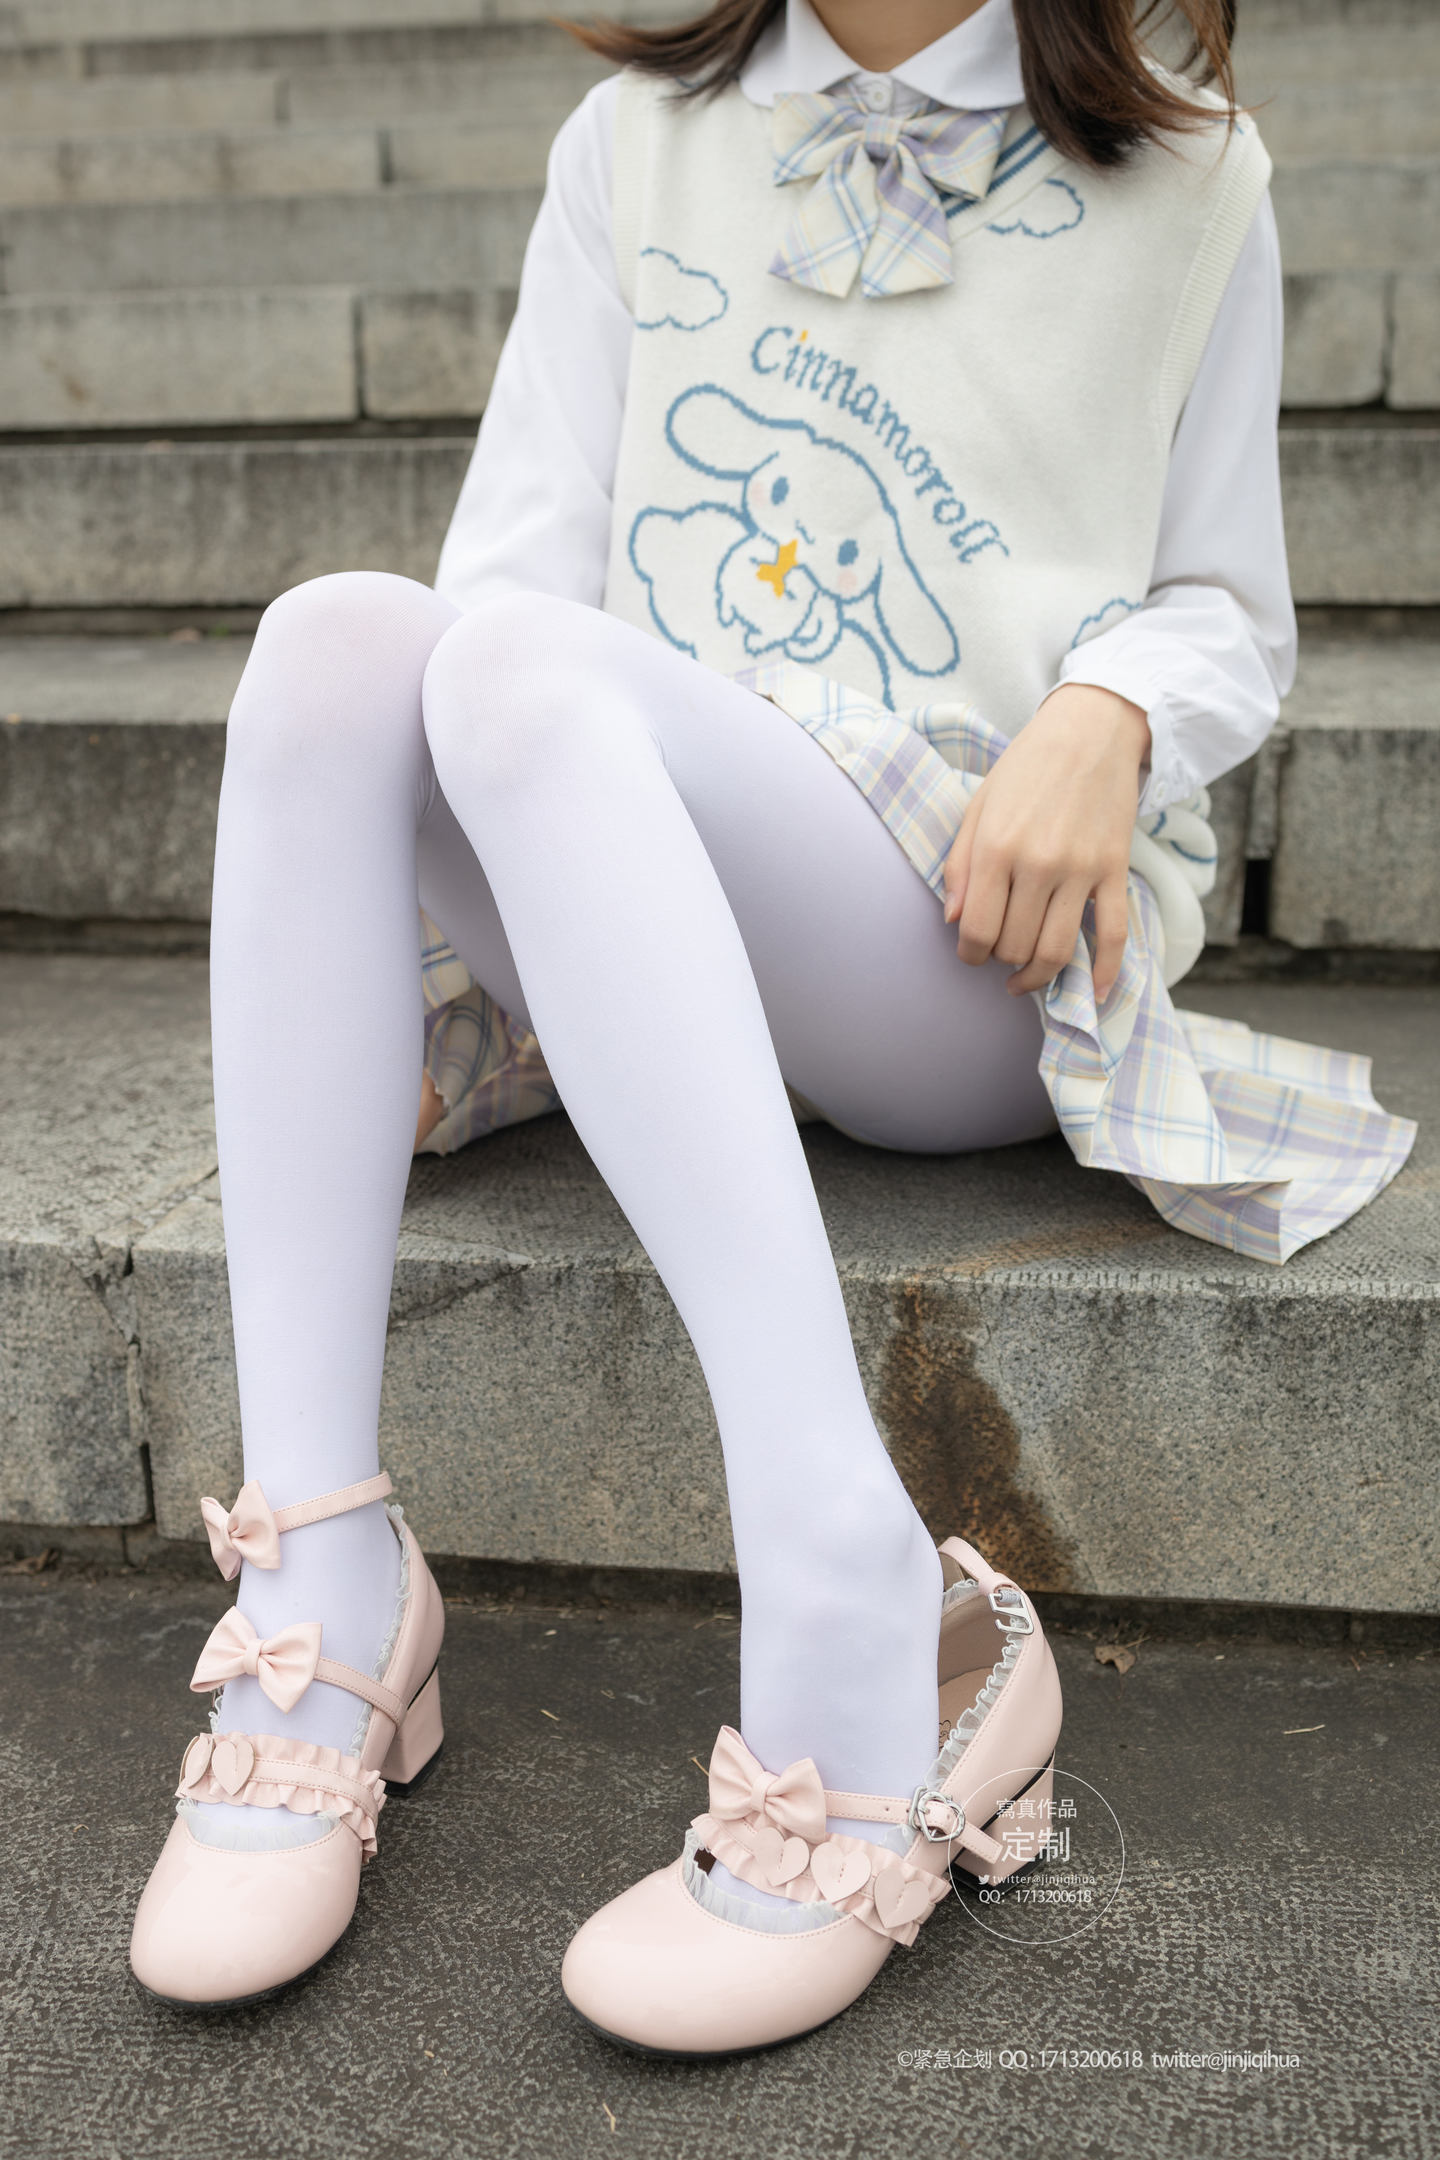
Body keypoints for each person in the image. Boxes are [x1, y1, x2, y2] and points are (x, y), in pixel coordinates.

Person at [127, 0, 1414, 2053]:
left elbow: (1230, 608)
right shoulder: (636, 145)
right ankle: (318, 1578)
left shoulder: (1191, 178)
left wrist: (1112, 710)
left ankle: (854, 1593)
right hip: (625, 857)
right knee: (332, 648)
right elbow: (502, 590)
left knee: (520, 674)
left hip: (964, 928)